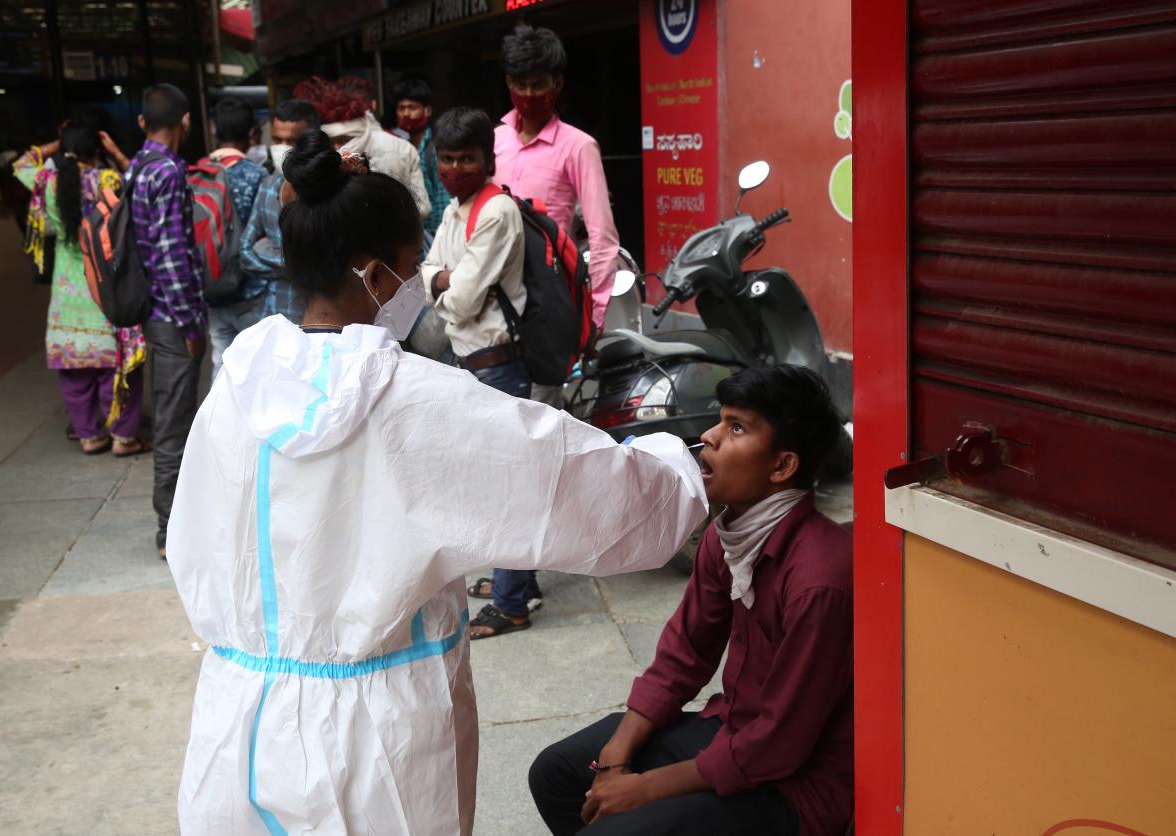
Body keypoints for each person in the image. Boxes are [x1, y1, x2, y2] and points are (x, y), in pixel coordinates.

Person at [165, 128, 708, 835]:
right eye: (410, 265)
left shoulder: (235, 387)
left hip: (237, 725)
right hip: (373, 742)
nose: (416, 284)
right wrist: (678, 469)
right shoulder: (412, 401)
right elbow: (562, 481)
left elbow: (196, 538)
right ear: (374, 272)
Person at [528, 364, 852, 836]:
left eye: (736, 427)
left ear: (783, 465)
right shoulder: (727, 539)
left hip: (793, 783)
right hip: (729, 732)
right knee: (557, 773)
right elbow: (684, 656)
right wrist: (617, 756)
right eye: (721, 420)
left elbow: (779, 743)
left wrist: (644, 790)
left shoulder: (820, 577)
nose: (710, 436)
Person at [419, 107, 543, 638]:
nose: (453, 167)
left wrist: (442, 284)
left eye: (465, 158)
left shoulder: (495, 212)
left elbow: (463, 299)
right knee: (499, 479)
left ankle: (512, 603)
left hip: (498, 364)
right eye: (446, 158)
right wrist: (443, 279)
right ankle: (519, 582)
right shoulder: (455, 209)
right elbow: (426, 273)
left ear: (486, 160)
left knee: (506, 485)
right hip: (471, 362)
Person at [495, 24, 621, 406]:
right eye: (521, 83)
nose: (529, 94)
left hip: (546, 297)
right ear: (508, 82)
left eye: (539, 84)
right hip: (491, 298)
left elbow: (603, 237)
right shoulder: (494, 138)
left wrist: (595, 318)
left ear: (558, 84)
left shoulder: (579, 146)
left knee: (539, 410)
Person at [12, 122, 148, 456]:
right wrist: (115, 153)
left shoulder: (46, 181)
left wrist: (56, 144)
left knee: (75, 373)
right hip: (105, 287)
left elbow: (20, 165)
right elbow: (141, 182)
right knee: (115, 367)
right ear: (97, 149)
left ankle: (90, 436)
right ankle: (123, 437)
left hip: (66, 291)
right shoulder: (108, 181)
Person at [130, 83, 207, 560]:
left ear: (142, 123)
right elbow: (171, 255)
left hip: (149, 310)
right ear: (185, 122)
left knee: (170, 417)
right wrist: (190, 323)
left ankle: (171, 522)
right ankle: (170, 528)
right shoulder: (169, 172)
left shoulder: (136, 167)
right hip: (170, 314)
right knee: (175, 421)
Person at [294, 75, 431, 219]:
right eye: (332, 141)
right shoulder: (319, 157)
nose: (339, 147)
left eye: (345, 140)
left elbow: (422, 206)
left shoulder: (399, 149)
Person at [240, 98, 321, 323]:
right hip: (274, 313)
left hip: (317, 318)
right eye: (277, 139)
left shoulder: (327, 188)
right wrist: (295, 269)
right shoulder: (267, 185)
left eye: (292, 141)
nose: (282, 148)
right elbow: (245, 252)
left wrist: (265, 251)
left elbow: (323, 263)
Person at [204, 97, 269, 376]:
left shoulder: (195, 174)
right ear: (253, 133)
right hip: (251, 291)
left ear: (213, 129)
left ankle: (217, 419)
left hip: (212, 289)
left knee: (221, 364)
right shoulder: (258, 176)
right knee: (256, 369)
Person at [392, 76, 452, 244]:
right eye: (401, 108)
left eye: (412, 107)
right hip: (411, 233)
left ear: (427, 111)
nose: (406, 113)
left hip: (435, 232)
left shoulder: (436, 145)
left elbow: (443, 196)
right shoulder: (397, 145)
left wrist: (442, 234)